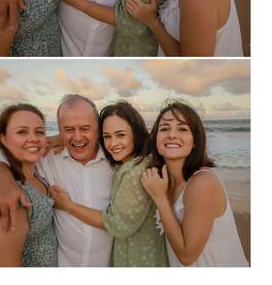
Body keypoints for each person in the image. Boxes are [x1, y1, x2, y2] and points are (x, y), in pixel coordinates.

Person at [0, 94, 113, 266]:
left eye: (85, 128)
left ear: (98, 128)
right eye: (69, 129)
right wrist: (2, 179)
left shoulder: (115, 160)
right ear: (59, 129)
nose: (77, 137)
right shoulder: (45, 159)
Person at [48, 101, 168, 266]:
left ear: (136, 133)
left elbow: (117, 224)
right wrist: (58, 138)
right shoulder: (124, 164)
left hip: (138, 261)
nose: (113, 143)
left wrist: (69, 206)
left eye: (121, 135)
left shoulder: (136, 172)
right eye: (107, 136)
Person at [140, 101, 247, 266]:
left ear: (195, 141)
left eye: (182, 129)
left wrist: (160, 199)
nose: (172, 135)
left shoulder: (203, 182)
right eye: (164, 128)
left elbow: (187, 255)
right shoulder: (161, 183)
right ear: (155, 140)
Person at [0, 104, 57, 267]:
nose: (33, 138)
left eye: (39, 132)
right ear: (3, 139)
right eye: (22, 132)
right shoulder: (11, 196)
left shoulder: (38, 175)